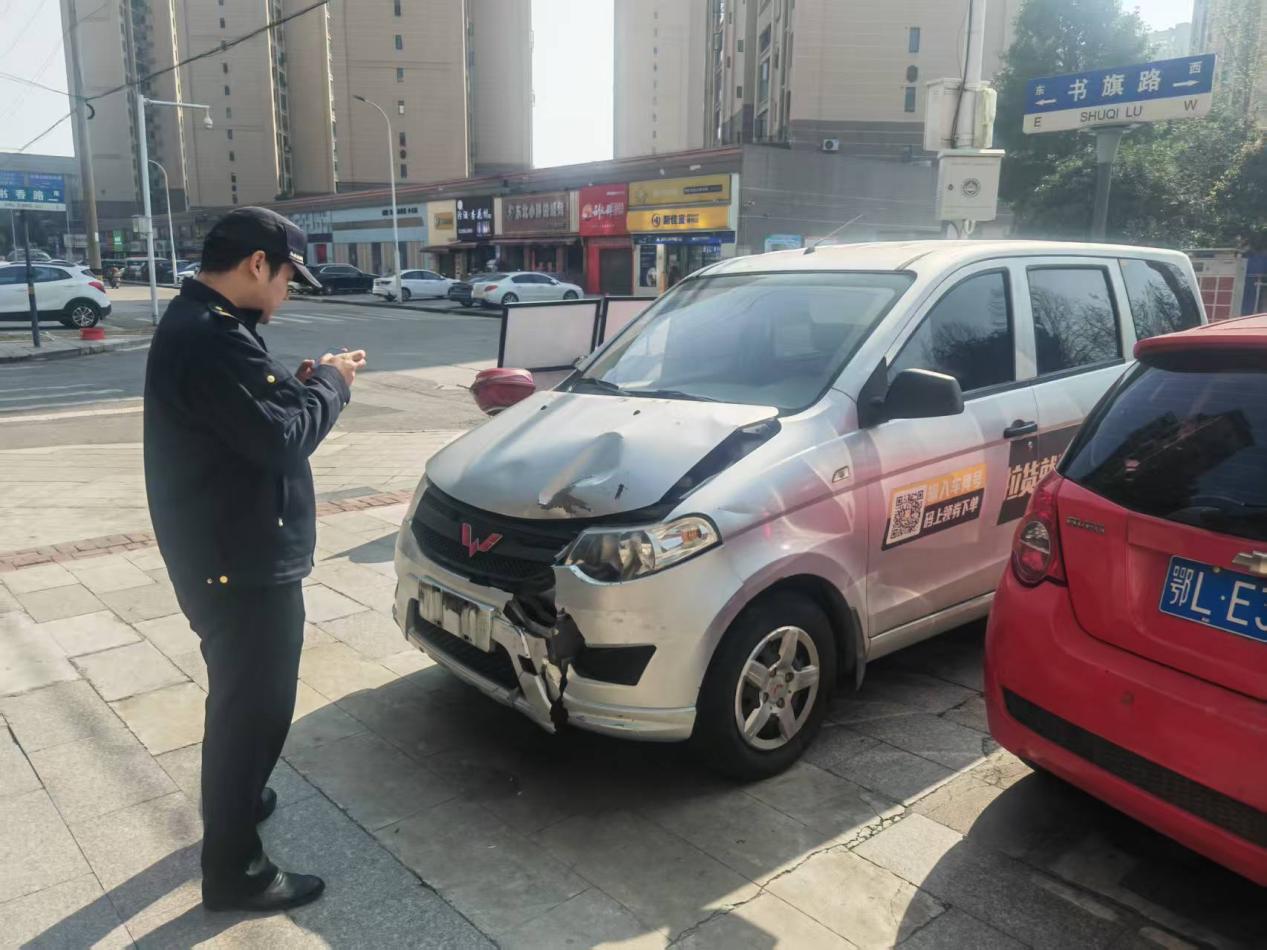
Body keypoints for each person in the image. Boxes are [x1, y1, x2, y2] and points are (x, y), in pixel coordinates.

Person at [143, 207, 367, 913]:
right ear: (257, 264)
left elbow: (250, 421)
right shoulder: (212, 338)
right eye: (287, 278)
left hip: (224, 549)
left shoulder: (206, 324)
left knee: (244, 700)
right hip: (238, 563)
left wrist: (300, 385)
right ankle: (235, 871)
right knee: (254, 710)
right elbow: (281, 441)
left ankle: (239, 796)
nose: (287, 292)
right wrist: (332, 384)